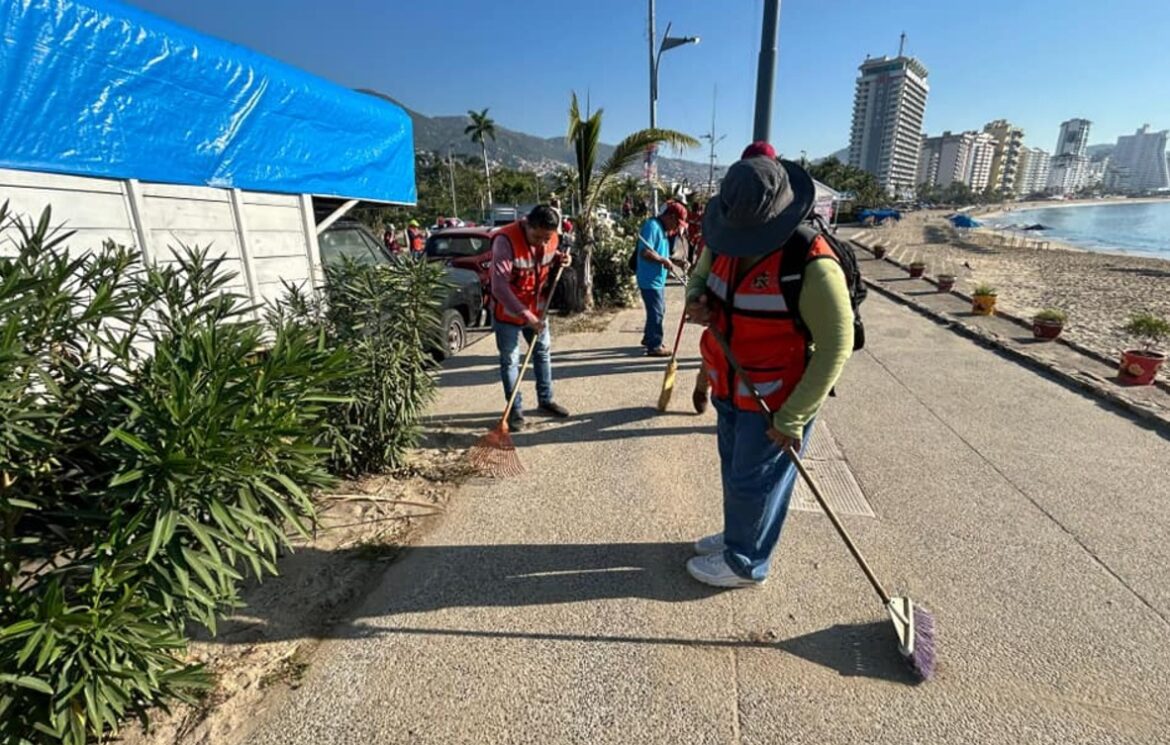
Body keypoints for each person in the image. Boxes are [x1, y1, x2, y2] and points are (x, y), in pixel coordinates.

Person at [683, 150, 854, 588]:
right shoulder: (724, 238)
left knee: (755, 482)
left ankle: (747, 563)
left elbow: (838, 344)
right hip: (729, 384)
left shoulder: (811, 262)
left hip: (776, 398)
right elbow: (698, 279)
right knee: (736, 475)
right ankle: (737, 536)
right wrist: (698, 303)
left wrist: (793, 417)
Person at [490, 204, 573, 431]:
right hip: (509, 312)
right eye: (537, 237)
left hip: (538, 310)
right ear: (527, 225)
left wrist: (562, 260)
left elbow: (549, 259)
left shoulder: (551, 237)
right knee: (510, 360)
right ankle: (515, 410)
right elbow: (499, 286)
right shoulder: (505, 241)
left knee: (542, 352)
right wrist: (526, 316)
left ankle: (546, 400)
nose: (543, 242)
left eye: (548, 238)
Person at [635, 200, 687, 357]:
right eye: (677, 223)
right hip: (649, 279)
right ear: (670, 216)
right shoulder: (652, 226)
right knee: (656, 311)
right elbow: (645, 252)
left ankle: (649, 337)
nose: (677, 228)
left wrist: (676, 261)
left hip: (657, 279)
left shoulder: (662, 230)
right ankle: (655, 345)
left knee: (658, 309)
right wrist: (663, 261)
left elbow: (661, 254)